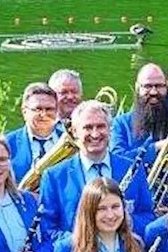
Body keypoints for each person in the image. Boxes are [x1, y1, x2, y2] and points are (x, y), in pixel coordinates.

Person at [40, 100, 156, 242]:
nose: (95, 134)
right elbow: (48, 230)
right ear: (74, 131)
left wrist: (126, 221)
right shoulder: (54, 177)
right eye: (88, 128)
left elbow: (148, 216)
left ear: (110, 129)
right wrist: (84, 240)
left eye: (101, 126)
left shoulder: (134, 169)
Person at [112, 64, 168, 163]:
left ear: (167, 86)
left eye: (159, 86)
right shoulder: (121, 124)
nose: (154, 92)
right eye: (147, 86)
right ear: (137, 88)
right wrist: (155, 148)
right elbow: (117, 159)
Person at [7, 83, 65, 183]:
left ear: (57, 111)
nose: (43, 114)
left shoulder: (70, 143)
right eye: (38, 109)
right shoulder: (7, 143)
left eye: (49, 109)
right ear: (24, 112)